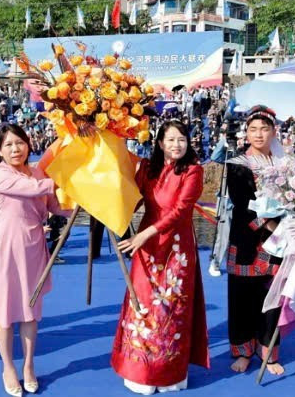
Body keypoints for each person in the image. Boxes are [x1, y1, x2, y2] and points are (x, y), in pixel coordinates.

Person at [0, 123, 69, 397]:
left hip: (34, 247)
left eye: (20, 143)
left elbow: (54, 205)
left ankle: (28, 365)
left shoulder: (36, 171)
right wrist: (73, 176)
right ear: (0, 151)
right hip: (6, 248)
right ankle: (8, 367)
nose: (16, 149)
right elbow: (36, 188)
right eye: (9, 145)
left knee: (30, 310)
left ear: (28, 144)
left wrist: (85, 202)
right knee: (4, 312)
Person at [112, 120, 209, 395]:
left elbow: (180, 211)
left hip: (177, 247)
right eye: (171, 140)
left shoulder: (193, 170)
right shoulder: (148, 169)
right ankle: (139, 371)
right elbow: (133, 199)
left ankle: (169, 373)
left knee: (170, 307)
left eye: (182, 139)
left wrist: (143, 236)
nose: (177, 144)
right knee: (142, 302)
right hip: (146, 244)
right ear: (159, 143)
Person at [222, 105, 284, 375]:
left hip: (279, 240)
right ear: (246, 132)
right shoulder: (237, 163)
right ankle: (243, 351)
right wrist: (270, 224)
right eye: (253, 129)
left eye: (264, 129)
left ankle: (268, 351)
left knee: (271, 297)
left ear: (273, 131)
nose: (258, 134)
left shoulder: (284, 163)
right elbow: (242, 203)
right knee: (242, 298)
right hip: (247, 240)